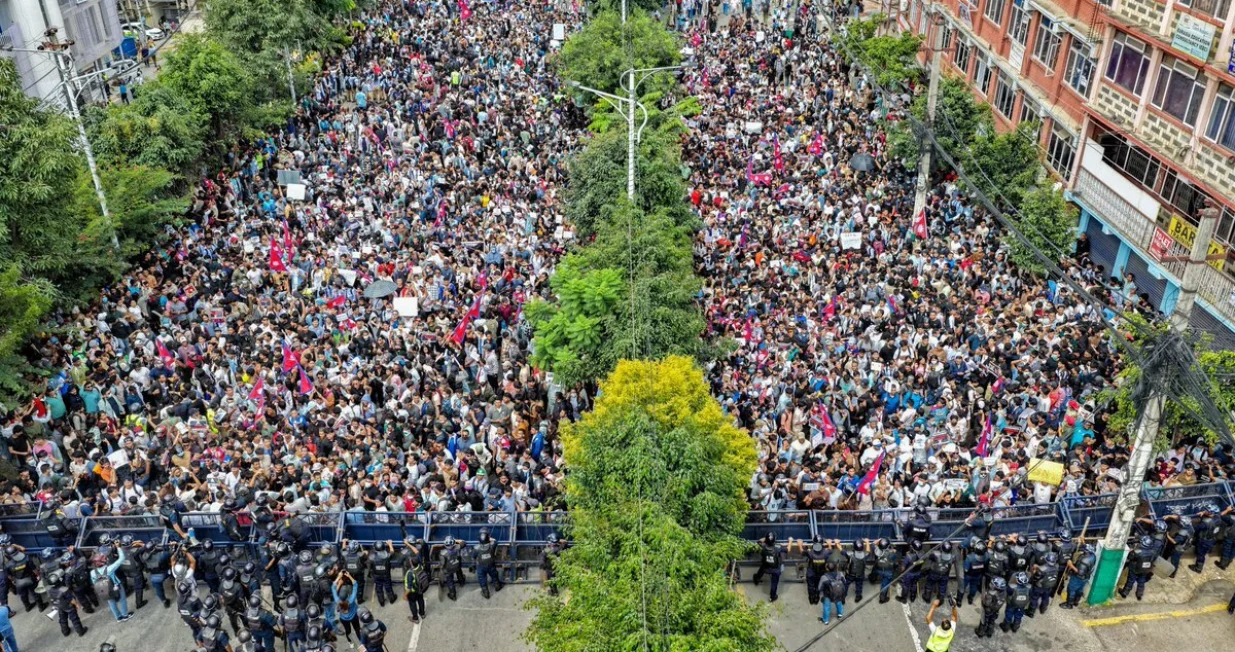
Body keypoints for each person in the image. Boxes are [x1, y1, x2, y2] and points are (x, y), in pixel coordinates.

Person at [91, 543, 130, 622]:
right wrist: (118, 547)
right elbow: (122, 558)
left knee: (111, 603)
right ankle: (125, 615)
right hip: (116, 586)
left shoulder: (92, 572)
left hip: (104, 590)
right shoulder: (109, 569)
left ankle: (118, 617)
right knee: (122, 600)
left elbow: (94, 582)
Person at [47, 570, 88, 638]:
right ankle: (80, 631)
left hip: (59, 606)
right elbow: (71, 600)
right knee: (74, 619)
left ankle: (65, 632)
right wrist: (77, 604)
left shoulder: (49, 590)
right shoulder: (64, 589)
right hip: (68, 607)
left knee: (62, 620)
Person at [1118, 536, 1158, 601]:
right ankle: (1139, 595)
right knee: (1141, 581)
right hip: (1145, 569)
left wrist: (1132, 551)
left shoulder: (1137, 552)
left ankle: (1125, 593)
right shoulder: (1154, 552)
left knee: (1130, 581)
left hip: (1135, 569)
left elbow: (1130, 557)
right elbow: (1154, 559)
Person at [752, 532, 787, 602]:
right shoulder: (778, 548)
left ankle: (757, 579)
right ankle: (772, 597)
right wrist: (790, 541)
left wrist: (766, 538)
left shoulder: (763, 546)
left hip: (766, 567)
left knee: (762, 567)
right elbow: (787, 549)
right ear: (775, 540)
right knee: (774, 582)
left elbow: (758, 541)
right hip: (775, 570)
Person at [1060, 543, 1096, 609]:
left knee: (1071, 589)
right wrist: (1082, 541)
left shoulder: (1084, 561)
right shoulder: (1093, 556)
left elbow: (1079, 572)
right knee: (1079, 590)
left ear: (1087, 551)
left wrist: (1070, 565)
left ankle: (1069, 604)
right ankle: (1075, 602)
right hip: (1085, 578)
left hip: (1078, 578)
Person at [473, 527, 504, 598]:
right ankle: (497, 586)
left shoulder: (476, 548)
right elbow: (495, 541)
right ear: (488, 537)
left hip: (481, 566)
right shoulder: (492, 545)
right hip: (491, 564)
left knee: (482, 579)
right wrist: (489, 538)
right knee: (494, 575)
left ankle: (486, 593)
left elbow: (474, 556)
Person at [402, 547, 429, 624]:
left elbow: (409, 587)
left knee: (412, 604)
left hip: (413, 592)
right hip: (420, 589)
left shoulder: (410, 573)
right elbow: (417, 552)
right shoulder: (420, 566)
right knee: (420, 600)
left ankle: (415, 618)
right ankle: (422, 613)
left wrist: (405, 595)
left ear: (411, 563)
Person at [332, 572, 359, 642]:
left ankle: (350, 642)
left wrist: (338, 577)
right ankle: (361, 642)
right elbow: (355, 585)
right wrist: (349, 576)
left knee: (348, 630)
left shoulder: (337, 600)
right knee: (357, 629)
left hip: (343, 619)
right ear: (347, 595)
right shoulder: (351, 600)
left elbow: (333, 588)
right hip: (354, 616)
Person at [872, 538, 899, 603]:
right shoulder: (892, 554)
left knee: (874, 569)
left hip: (878, 569)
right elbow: (896, 563)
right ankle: (882, 599)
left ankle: (873, 578)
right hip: (887, 572)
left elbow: (873, 544)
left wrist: (879, 540)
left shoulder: (876, 551)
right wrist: (894, 552)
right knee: (885, 584)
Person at [440, 537, 466, 602]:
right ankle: (462, 583)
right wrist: (456, 540)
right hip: (457, 565)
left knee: (450, 581)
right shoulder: (457, 547)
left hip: (448, 569)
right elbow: (463, 542)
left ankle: (453, 595)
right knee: (459, 573)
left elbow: (442, 564)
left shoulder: (443, 553)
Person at [962, 539, 988, 604]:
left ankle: (960, 598)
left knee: (963, 586)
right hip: (978, 575)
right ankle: (970, 598)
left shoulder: (969, 558)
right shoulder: (987, 557)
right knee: (974, 587)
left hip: (968, 575)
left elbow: (966, 569)